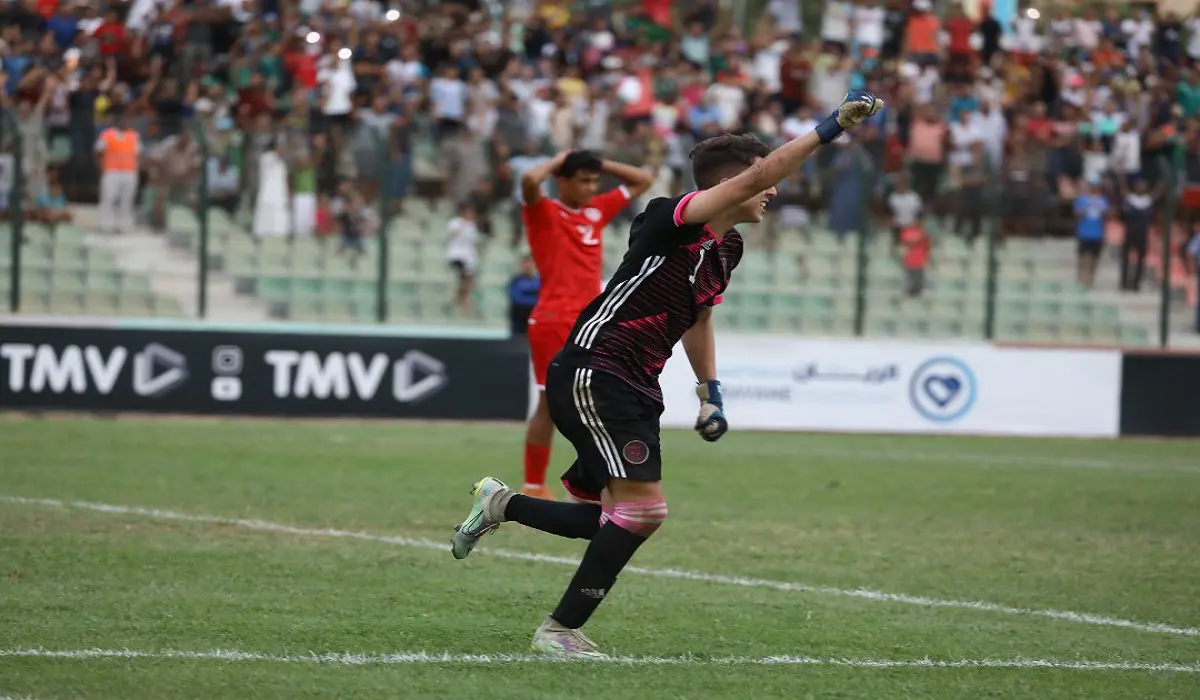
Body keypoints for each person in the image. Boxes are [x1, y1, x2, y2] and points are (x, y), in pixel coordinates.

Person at [449, 91, 883, 659]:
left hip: (632, 381)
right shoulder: (669, 217)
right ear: (736, 183)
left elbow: (698, 317)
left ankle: (502, 504)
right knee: (644, 511)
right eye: (762, 180)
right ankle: (558, 632)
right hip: (595, 368)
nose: (774, 191)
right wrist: (831, 127)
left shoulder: (728, 248)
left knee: (606, 518)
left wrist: (710, 394)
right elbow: (770, 170)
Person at [517, 150, 653, 501]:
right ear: (562, 179)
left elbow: (643, 180)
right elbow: (530, 180)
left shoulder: (596, 211)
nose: (592, 187)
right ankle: (533, 485)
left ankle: (589, 484)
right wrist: (559, 158)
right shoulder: (544, 212)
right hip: (552, 319)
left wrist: (597, 162)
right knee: (550, 401)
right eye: (584, 180)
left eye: (595, 181)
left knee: (596, 402)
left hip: (591, 321)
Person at [95, 108, 140, 235]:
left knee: (127, 199)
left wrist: (136, 169)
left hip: (129, 171)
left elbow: (138, 154)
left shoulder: (134, 135)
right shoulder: (107, 134)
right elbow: (98, 151)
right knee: (109, 198)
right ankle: (106, 225)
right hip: (111, 170)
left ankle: (124, 225)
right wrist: (101, 167)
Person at [1074, 179, 1110, 289]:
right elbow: (1077, 215)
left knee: (1095, 257)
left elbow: (1106, 216)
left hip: (1097, 233)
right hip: (1084, 232)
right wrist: (1086, 207)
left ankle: (1091, 278)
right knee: (1083, 257)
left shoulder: (1103, 200)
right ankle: (1080, 278)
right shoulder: (1082, 199)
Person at [446, 203, 480, 316]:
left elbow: (472, 243)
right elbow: (451, 234)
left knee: (469, 280)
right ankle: (463, 303)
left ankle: (458, 301)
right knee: (466, 279)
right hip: (457, 255)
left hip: (468, 258)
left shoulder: (472, 226)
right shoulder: (456, 222)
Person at [508, 256, 541, 336]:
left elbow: (542, 297)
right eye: (525, 263)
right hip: (519, 318)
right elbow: (517, 298)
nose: (528, 266)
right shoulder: (515, 281)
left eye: (530, 263)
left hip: (534, 317)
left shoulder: (538, 281)